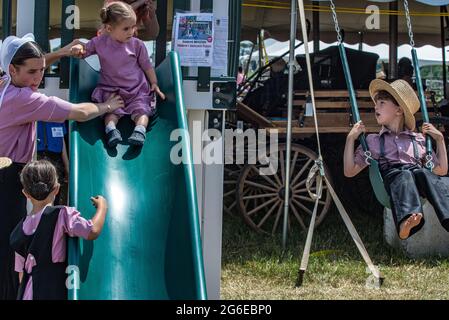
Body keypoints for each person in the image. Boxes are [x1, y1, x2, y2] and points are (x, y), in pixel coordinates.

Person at [0, 33, 124, 300]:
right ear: (13, 69)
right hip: (7, 177)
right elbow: (79, 112)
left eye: (42, 72)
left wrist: (63, 52)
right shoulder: (25, 100)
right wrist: (108, 105)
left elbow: (34, 62)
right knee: (9, 246)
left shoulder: (5, 85)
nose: (38, 79)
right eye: (32, 73)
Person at [344, 79, 449, 240]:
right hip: (392, 180)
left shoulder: (418, 140)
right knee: (404, 176)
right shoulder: (373, 141)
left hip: (416, 180)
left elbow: (441, 170)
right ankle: (405, 223)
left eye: (382, 103)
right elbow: (349, 171)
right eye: (376, 103)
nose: (375, 107)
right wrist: (351, 139)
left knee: (425, 174)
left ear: (399, 110)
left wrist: (440, 140)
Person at [71, 2, 165, 148]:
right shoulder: (99, 42)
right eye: (126, 28)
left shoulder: (137, 44)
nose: (131, 31)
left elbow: (147, 66)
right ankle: (111, 130)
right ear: (109, 28)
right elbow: (84, 51)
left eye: (133, 27)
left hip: (136, 89)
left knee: (142, 110)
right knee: (111, 111)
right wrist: (78, 49)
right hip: (112, 90)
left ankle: (140, 130)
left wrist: (154, 82)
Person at [10, 160, 107, 300]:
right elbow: (92, 230)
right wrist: (102, 207)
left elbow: (21, 275)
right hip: (52, 290)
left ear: (26, 193)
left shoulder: (18, 231)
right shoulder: (62, 215)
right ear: (56, 188)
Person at [36, 121, 69, 205]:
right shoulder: (35, 118)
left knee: (56, 189)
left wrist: (67, 166)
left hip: (56, 158)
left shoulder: (59, 118)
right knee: (44, 191)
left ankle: (54, 213)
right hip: (40, 156)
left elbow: (62, 142)